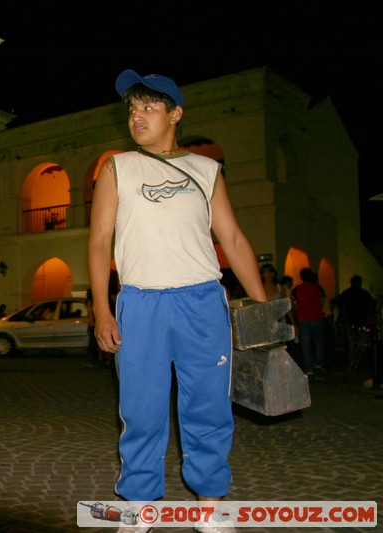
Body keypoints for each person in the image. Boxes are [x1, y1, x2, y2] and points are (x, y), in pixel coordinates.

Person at [88, 69, 265, 533]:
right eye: (132, 109)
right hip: (141, 303)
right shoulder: (117, 167)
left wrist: (264, 309)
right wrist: (102, 308)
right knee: (141, 410)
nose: (137, 117)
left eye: (149, 107)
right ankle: (139, 507)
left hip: (203, 300)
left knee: (208, 408)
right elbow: (99, 241)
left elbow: (232, 239)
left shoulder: (207, 171)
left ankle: (211, 507)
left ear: (175, 113)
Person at [291, 268, 327, 376]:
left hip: (303, 318)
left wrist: (297, 312)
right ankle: (318, 363)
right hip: (316, 317)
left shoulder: (297, 289)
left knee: (306, 344)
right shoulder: (318, 288)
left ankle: (309, 367)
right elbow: (322, 303)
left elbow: (293, 303)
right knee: (318, 342)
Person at [337, 275, 375, 367]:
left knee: (352, 343)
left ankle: (353, 362)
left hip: (349, 321)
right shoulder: (364, 294)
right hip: (362, 321)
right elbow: (371, 306)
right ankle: (361, 361)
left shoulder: (346, 293)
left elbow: (341, 307)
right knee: (362, 342)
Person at [260, 264, 297, 331]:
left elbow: (286, 305)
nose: (269, 274)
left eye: (271, 271)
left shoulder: (280, 287)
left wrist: (293, 323)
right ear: (262, 274)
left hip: (280, 320)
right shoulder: (260, 289)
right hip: (266, 321)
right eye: (266, 272)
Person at [84, 288, 98, 368]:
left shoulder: (90, 302)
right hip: (93, 324)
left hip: (93, 324)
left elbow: (90, 312)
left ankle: (90, 361)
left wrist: (91, 322)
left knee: (92, 344)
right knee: (93, 344)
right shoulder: (94, 302)